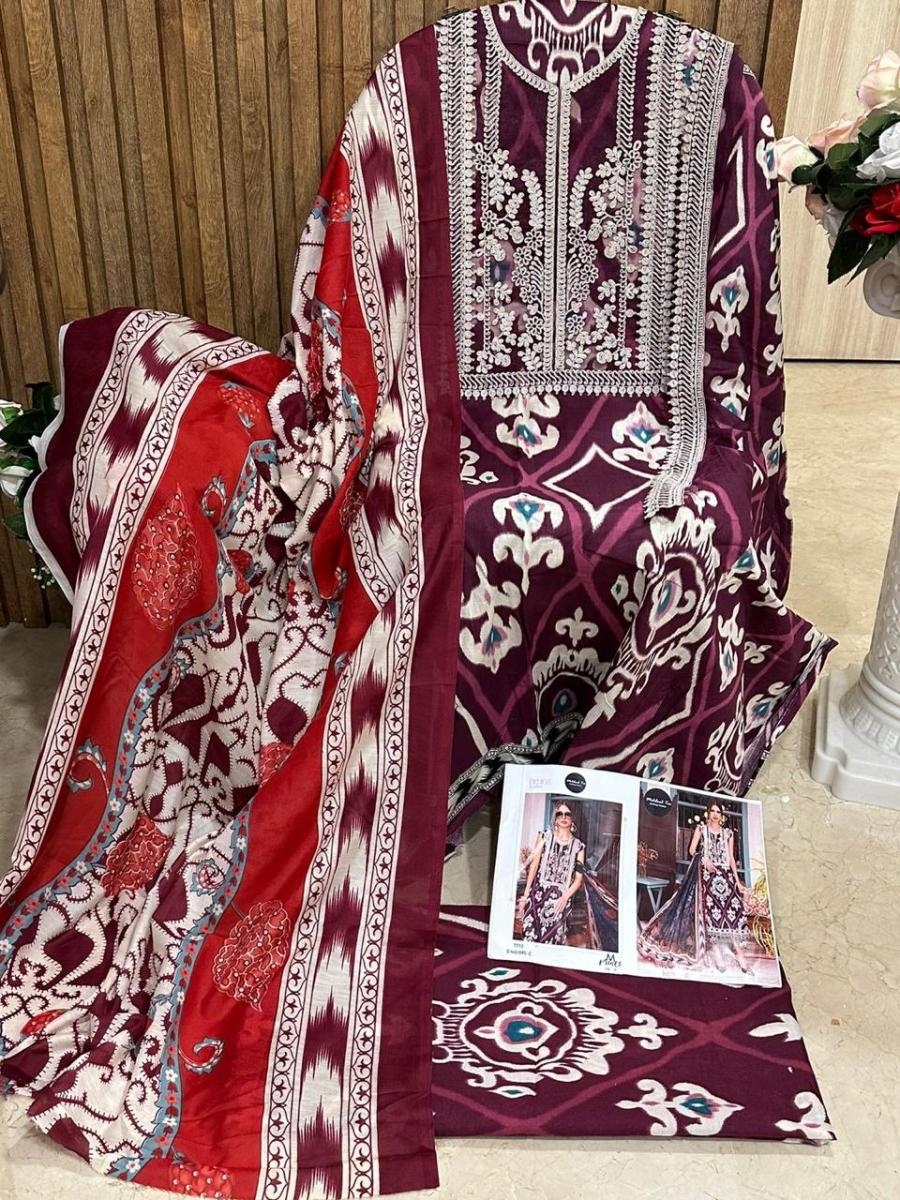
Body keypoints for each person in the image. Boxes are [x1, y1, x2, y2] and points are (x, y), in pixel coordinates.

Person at [638, 801, 752, 973]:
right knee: (710, 916)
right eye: (712, 811)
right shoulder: (701, 829)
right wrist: (703, 858)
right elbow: (692, 850)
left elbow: (730, 859)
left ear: (722, 815)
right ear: (708, 813)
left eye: (718, 812)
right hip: (707, 877)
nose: (715, 814)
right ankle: (717, 954)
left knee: (733, 916)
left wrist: (737, 880)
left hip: (726, 877)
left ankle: (740, 955)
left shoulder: (728, 833)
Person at [517, 803, 585, 944]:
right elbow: (534, 867)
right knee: (529, 936)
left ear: (573, 819)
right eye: (560, 814)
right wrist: (525, 896)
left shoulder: (579, 846)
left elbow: (578, 880)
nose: (564, 817)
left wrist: (564, 898)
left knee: (552, 941)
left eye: (568, 814)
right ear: (555, 818)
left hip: (560, 901)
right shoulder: (544, 837)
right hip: (537, 896)